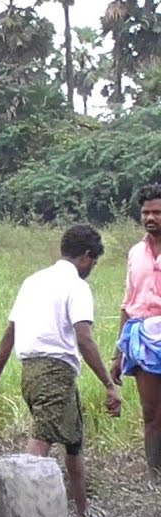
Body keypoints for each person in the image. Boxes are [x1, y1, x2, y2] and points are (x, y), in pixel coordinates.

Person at [0, 224, 121, 517]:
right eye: (93, 263)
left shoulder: (33, 281)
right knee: (39, 447)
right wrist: (109, 385)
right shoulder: (77, 287)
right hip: (53, 372)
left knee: (74, 441)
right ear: (86, 257)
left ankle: (83, 514)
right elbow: (84, 338)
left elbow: (10, 334)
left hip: (31, 372)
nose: (92, 269)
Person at [112, 183, 161, 476]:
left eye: (157, 212)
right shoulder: (135, 253)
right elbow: (127, 304)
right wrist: (117, 353)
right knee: (151, 412)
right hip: (143, 336)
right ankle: (154, 471)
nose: (151, 218)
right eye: (146, 212)